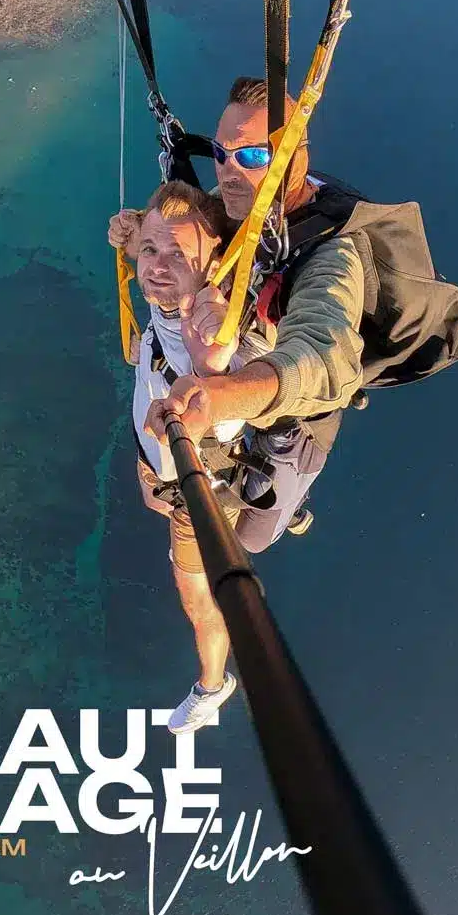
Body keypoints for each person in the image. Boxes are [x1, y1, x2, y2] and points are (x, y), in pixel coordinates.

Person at [111, 75, 367, 556]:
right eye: (222, 153)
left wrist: (219, 395)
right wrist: (134, 234)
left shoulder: (331, 256)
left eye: (251, 156)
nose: (229, 171)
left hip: (288, 411)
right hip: (223, 376)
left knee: (252, 537)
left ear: (296, 159)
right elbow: (179, 245)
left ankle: (291, 506)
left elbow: (325, 354)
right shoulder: (234, 205)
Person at [119, 179, 271, 733]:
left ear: (213, 267)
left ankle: (212, 686)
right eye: (151, 251)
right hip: (162, 473)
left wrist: (214, 363)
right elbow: (152, 242)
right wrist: (133, 231)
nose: (157, 266)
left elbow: (227, 390)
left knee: (199, 599)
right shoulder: (165, 292)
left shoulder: (215, 331)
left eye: (178, 256)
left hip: (197, 491)